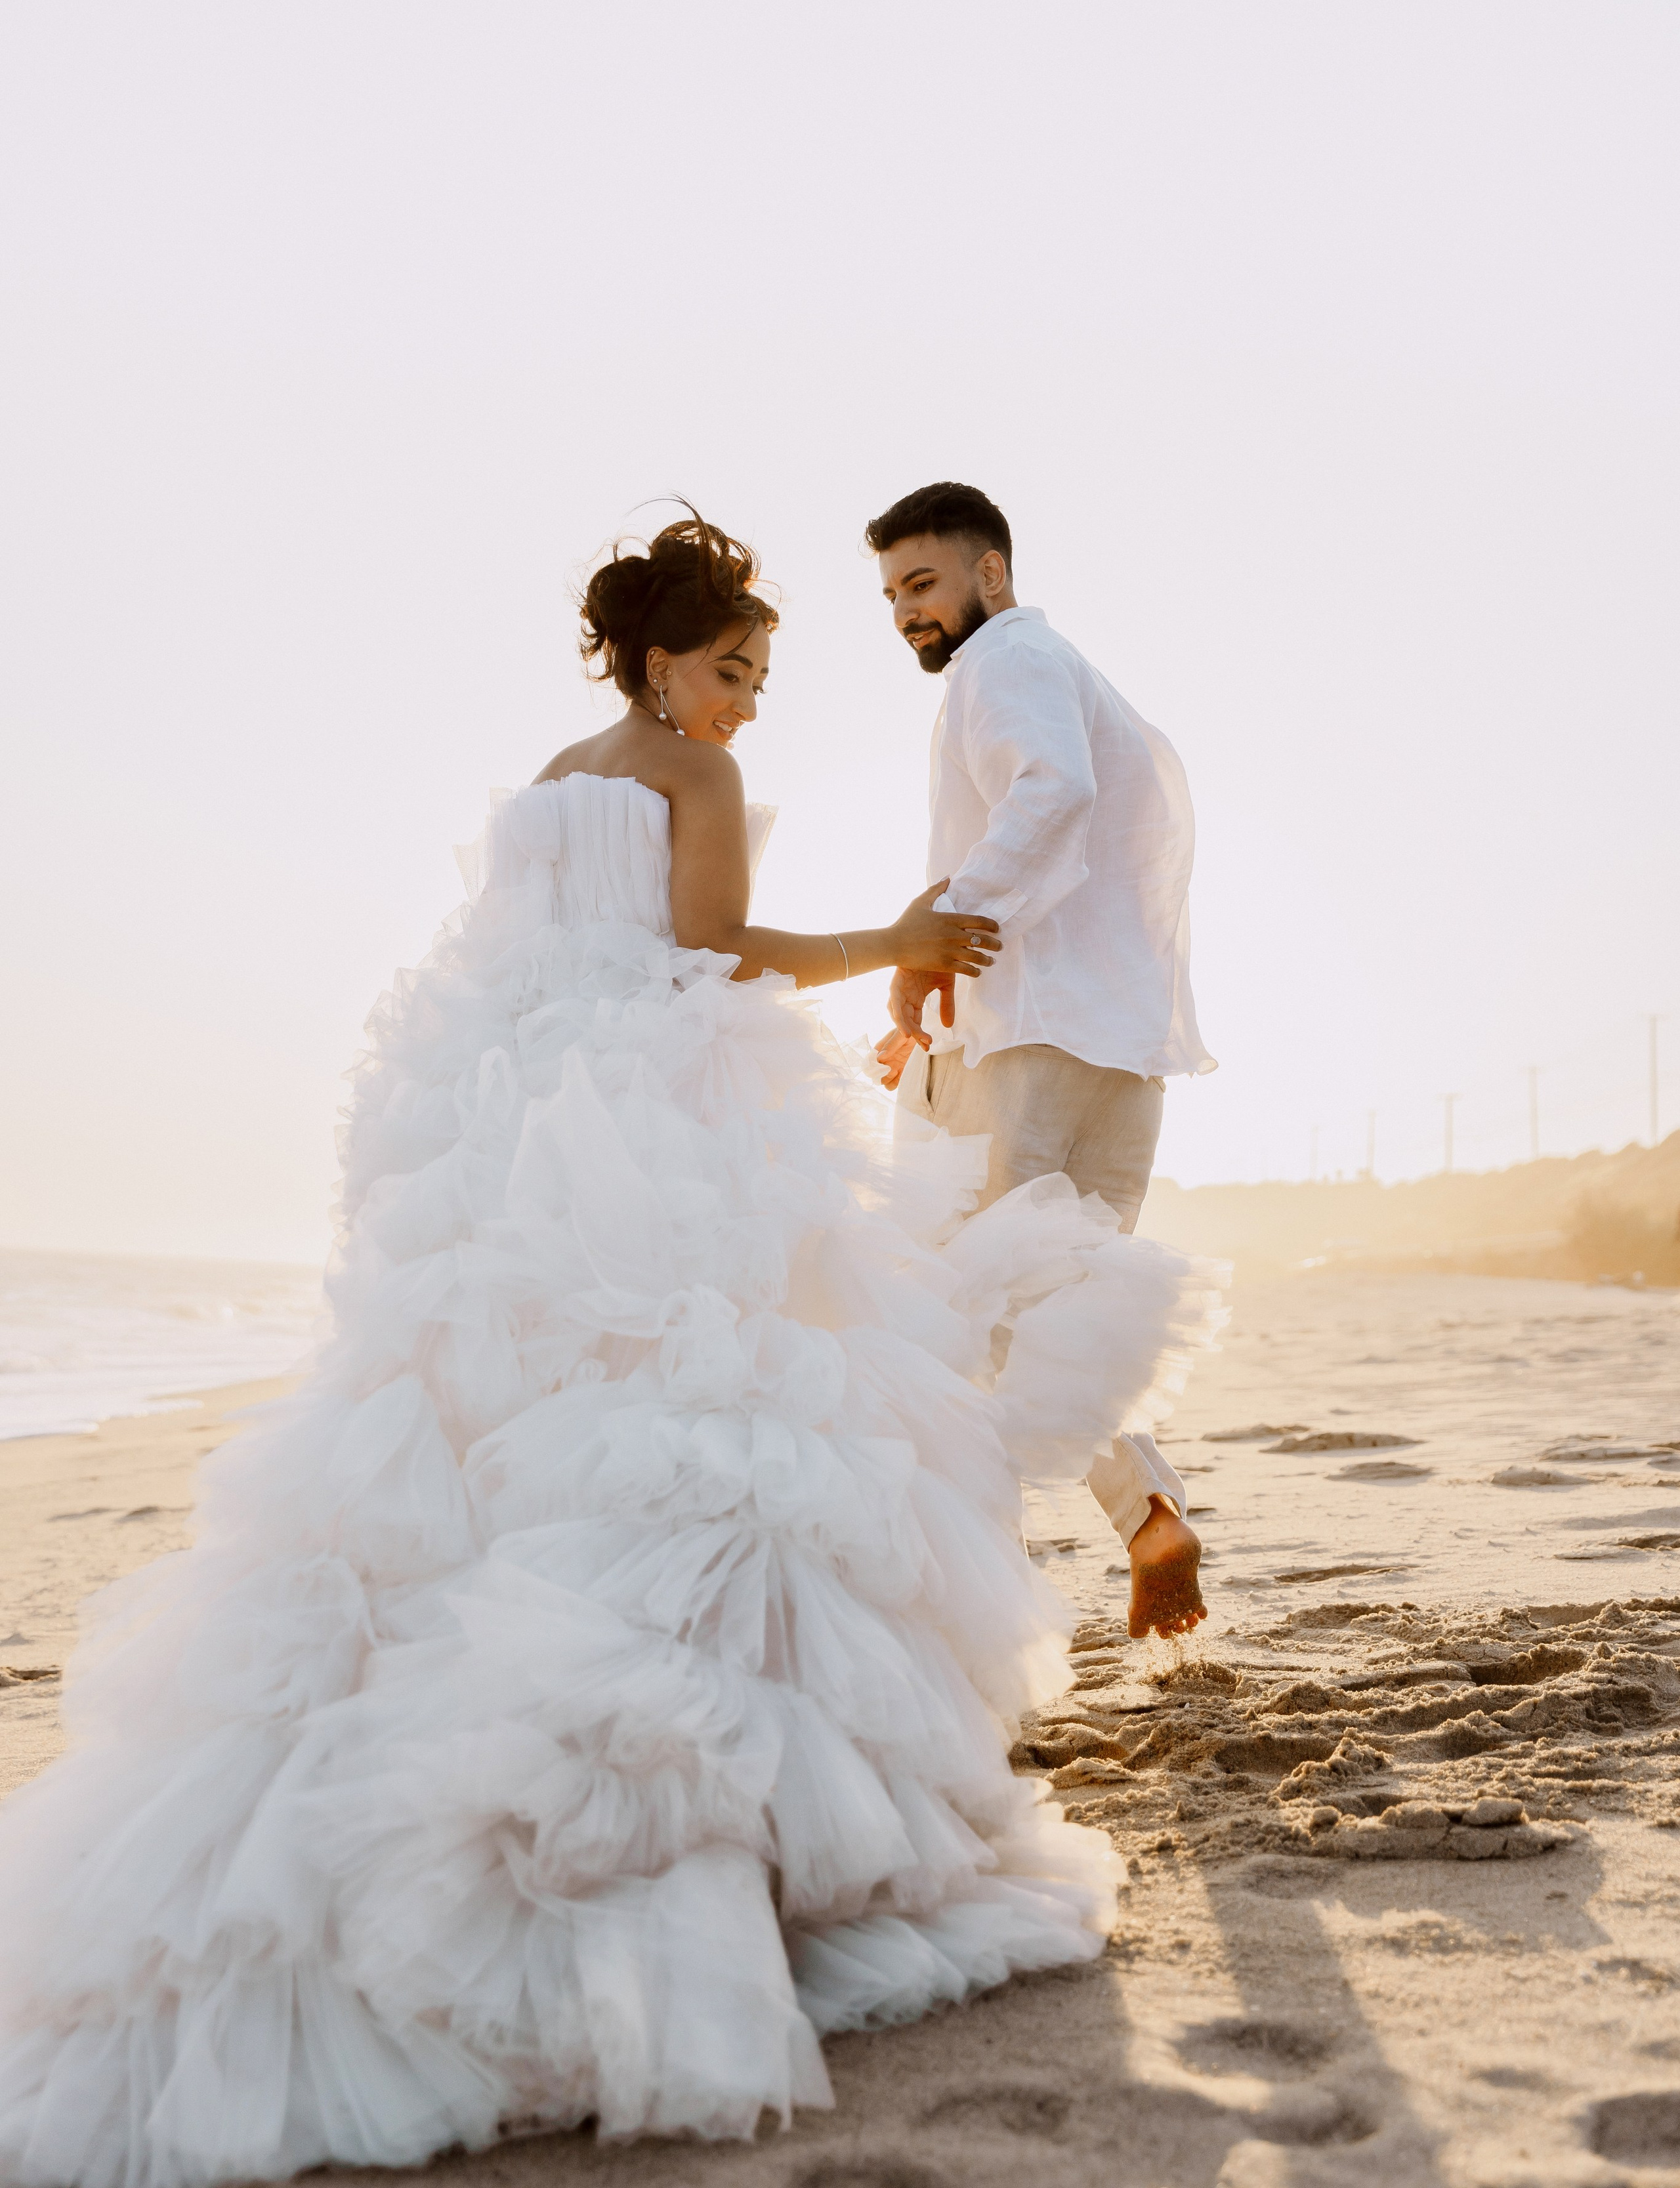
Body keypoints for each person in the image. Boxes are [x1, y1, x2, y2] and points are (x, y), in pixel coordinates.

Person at [0, 513, 1221, 2180]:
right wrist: (899, 942)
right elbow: (706, 951)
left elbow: (527, 969)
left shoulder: (546, 783)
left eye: (761, 682)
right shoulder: (687, 779)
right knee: (713, 1412)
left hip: (513, 1147)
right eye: (731, 671)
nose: (743, 709)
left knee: (513, 1423)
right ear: (661, 658)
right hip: (655, 1120)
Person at [868, 482, 1218, 1641]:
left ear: (993, 574)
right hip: (1119, 1051)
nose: (909, 612)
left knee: (951, 1311)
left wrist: (938, 934)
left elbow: (1049, 788)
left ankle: (988, 1616)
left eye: (924, 583)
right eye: (892, 595)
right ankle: (1149, 1514)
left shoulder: (1004, 661)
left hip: (1026, 1041)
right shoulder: (1075, 672)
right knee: (1062, 1310)